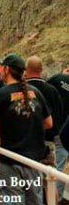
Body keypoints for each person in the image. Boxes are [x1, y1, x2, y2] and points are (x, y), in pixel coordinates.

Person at [0, 53, 53, 205]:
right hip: (35, 162)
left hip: (11, 161)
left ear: (6, 70)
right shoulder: (36, 92)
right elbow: (49, 123)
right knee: (34, 201)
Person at [26, 56, 63, 203]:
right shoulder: (52, 90)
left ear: (26, 70)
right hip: (48, 142)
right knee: (50, 181)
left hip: (26, 145)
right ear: (41, 70)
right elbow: (58, 117)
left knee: (28, 183)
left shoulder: (20, 89)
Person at [47, 63, 69, 204]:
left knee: (55, 167)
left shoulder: (57, 78)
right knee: (61, 166)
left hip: (52, 128)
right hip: (63, 129)